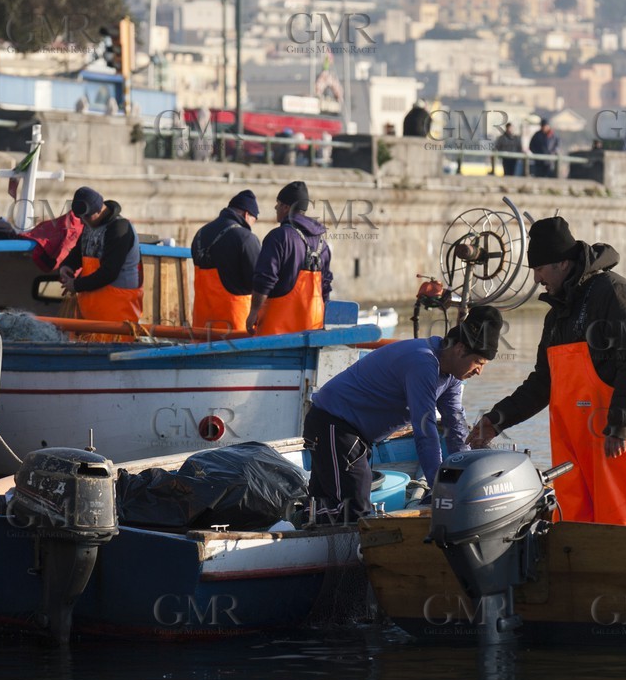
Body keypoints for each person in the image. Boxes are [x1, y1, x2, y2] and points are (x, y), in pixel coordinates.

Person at [468, 215, 626, 529]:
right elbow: (543, 383)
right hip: (573, 445)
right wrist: (495, 420)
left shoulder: (615, 294)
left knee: (623, 520)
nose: (537, 279)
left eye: (540, 269)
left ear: (561, 263)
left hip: (616, 438)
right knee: (573, 521)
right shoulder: (556, 317)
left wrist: (618, 425)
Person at [304, 305, 503, 521]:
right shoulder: (422, 362)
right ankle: (300, 521)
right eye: (478, 362)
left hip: (356, 436)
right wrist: (439, 489)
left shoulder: (453, 376)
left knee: (325, 503)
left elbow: (455, 428)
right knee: (354, 512)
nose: (479, 371)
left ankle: (304, 520)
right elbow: (425, 432)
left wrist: (465, 475)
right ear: (460, 349)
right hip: (334, 426)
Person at [247, 181, 332, 335]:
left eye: (278, 203)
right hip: (312, 330)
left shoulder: (279, 237)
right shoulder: (322, 243)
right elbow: (325, 286)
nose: (275, 207)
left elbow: (264, 279)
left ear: (286, 207)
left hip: (277, 332)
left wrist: (253, 311)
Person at [59, 186, 143, 328]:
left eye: (87, 216)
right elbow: (79, 251)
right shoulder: (89, 224)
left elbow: (109, 272)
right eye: (81, 218)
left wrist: (76, 285)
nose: (84, 221)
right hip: (92, 313)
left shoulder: (119, 229)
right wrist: (67, 266)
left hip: (117, 315)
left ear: (99, 209)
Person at [190, 190, 261, 333]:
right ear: (246, 214)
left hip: (201, 325)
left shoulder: (200, 234)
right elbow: (259, 282)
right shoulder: (245, 238)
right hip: (234, 326)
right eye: (254, 220)